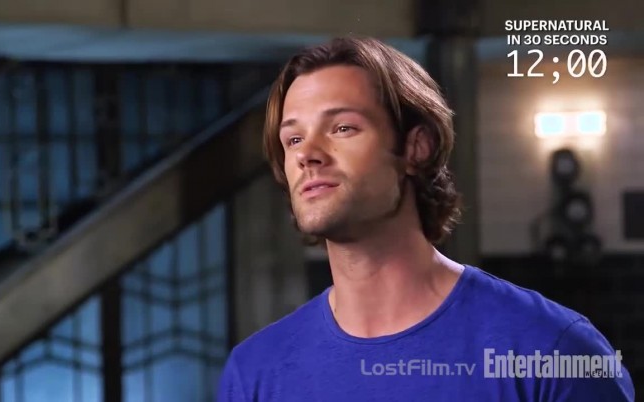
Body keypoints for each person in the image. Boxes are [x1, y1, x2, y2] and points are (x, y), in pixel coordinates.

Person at [217, 36, 635, 401]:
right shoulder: (255, 372)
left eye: (342, 128)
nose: (307, 154)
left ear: (416, 147)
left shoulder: (552, 351)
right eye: (293, 138)